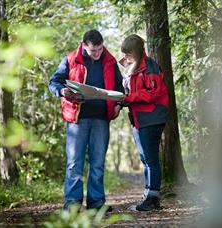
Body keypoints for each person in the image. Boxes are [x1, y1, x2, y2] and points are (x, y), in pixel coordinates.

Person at [48, 29, 123, 211]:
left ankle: (96, 203)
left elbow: (121, 88)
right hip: (77, 119)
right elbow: (54, 82)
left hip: (101, 119)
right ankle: (72, 204)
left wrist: (118, 105)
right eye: (93, 51)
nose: (97, 54)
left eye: (99, 49)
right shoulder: (71, 59)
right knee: (74, 163)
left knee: (97, 162)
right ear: (84, 46)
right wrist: (62, 91)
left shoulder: (110, 60)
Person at [119, 34, 169, 211]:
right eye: (124, 54)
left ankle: (153, 197)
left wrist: (129, 98)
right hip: (138, 119)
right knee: (145, 158)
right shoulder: (132, 67)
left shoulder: (150, 67)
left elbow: (153, 93)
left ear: (138, 52)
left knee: (151, 159)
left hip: (152, 117)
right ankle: (148, 194)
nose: (126, 58)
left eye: (129, 54)